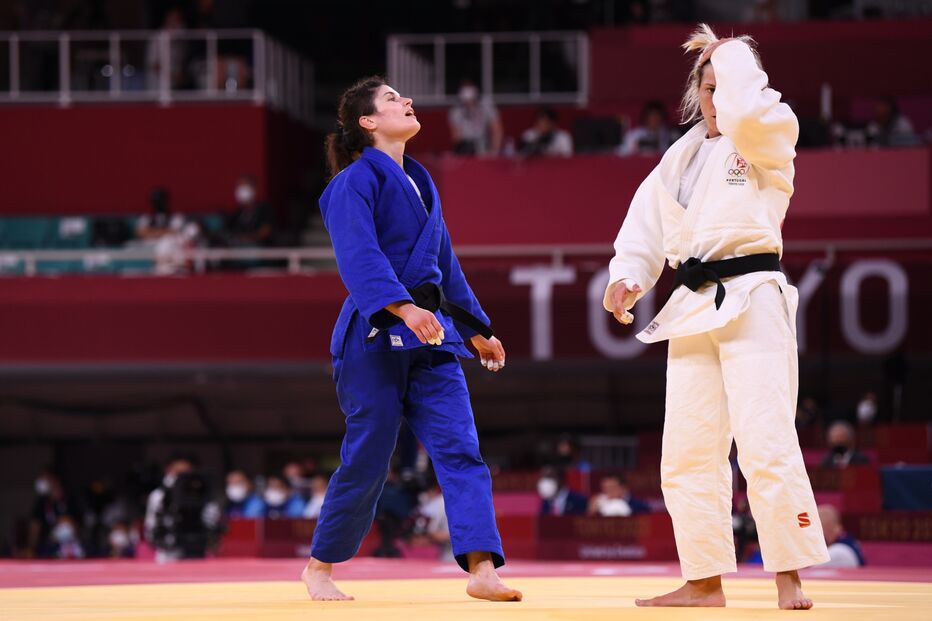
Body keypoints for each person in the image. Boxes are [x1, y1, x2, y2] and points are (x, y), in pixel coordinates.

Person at [602, 24, 829, 609]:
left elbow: (747, 111)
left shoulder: (767, 133)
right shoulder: (679, 158)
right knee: (687, 449)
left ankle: (789, 574)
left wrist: (729, 52)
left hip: (753, 293)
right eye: (705, 88)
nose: (714, 98)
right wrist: (628, 276)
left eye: (723, 87)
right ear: (693, 94)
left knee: (765, 438)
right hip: (694, 304)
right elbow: (646, 226)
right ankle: (703, 580)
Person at [302, 76, 520, 603]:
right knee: (368, 458)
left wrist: (477, 330)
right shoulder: (353, 183)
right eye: (393, 99)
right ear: (368, 122)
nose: (407, 101)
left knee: (461, 450)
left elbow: (445, 267)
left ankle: (482, 568)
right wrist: (401, 307)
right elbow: (360, 258)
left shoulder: (422, 183)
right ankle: (320, 566)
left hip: (433, 340)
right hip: (374, 338)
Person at [448, 79, 503, 156]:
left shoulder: (486, 106)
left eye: (469, 89)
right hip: (465, 149)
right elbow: (456, 137)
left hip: (484, 146)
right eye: (464, 90)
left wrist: (494, 152)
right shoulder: (456, 111)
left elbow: (497, 130)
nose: (467, 94)